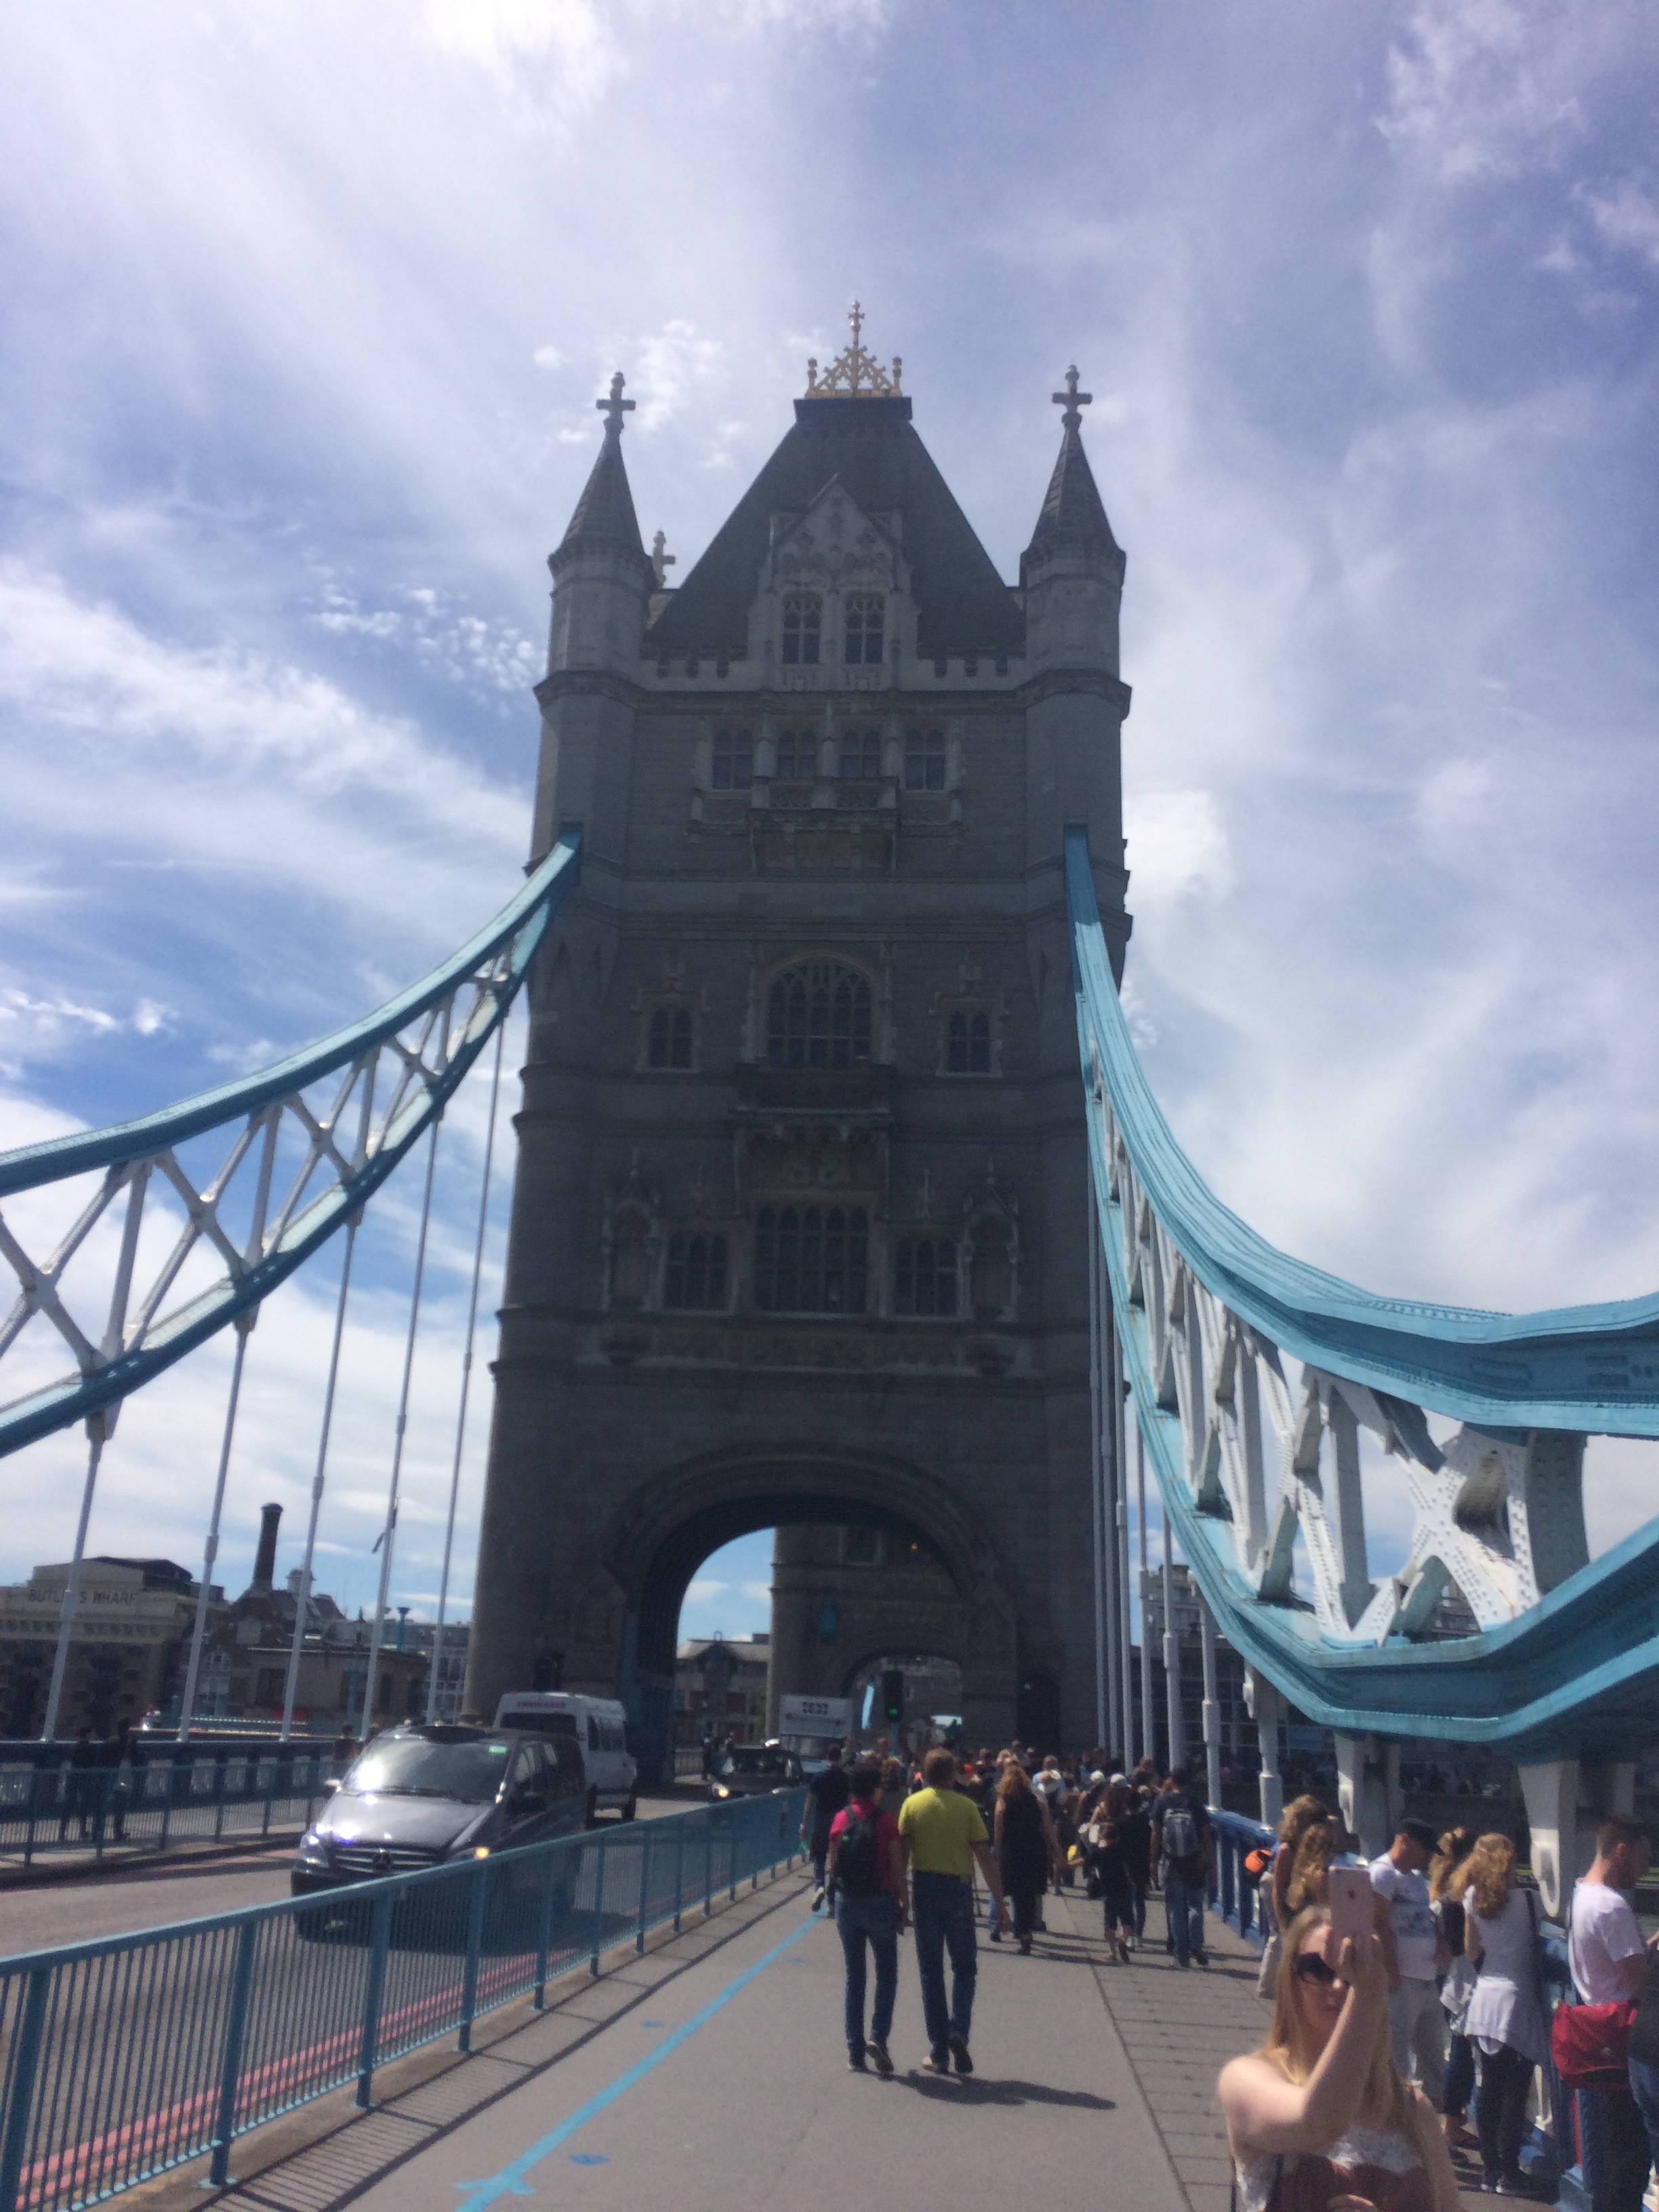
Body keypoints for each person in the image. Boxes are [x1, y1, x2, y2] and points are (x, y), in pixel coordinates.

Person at [1219, 1902, 1461, 2212]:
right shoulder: (1246, 2080)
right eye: (1319, 1969)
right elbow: (1318, 2122)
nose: (1339, 1985)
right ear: (1291, 1980)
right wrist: (1365, 1994)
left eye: (1352, 1971)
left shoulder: (1412, 2110)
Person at [897, 1748, 1005, 2076]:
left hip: (925, 1887)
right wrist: (1000, 1903)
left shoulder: (912, 1805)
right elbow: (985, 1857)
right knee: (965, 1968)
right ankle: (959, 2028)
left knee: (931, 1972)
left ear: (925, 1775)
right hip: (958, 1890)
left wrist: (902, 1900)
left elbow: (901, 1857)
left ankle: (939, 2051)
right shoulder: (967, 1807)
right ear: (952, 1774)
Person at [1570, 1815, 1659, 2212]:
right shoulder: (1612, 1906)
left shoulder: (1583, 1895)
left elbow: (1615, 1959)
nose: (1645, 1870)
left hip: (1594, 2028)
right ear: (1621, 1851)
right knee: (1631, 2158)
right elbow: (1639, 1983)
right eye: (1642, 1859)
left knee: (1612, 2155)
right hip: (1624, 2036)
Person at [1460, 1832, 1548, 2194]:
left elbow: (1470, 1951)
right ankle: (1509, 2173)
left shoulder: (1473, 1898)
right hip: (1518, 2000)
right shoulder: (1530, 1902)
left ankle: (1490, 2171)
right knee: (1515, 2092)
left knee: (1490, 2090)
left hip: (1485, 2001)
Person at [826, 1756, 906, 2074]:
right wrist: (904, 1904)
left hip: (848, 1903)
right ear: (875, 1790)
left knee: (855, 1975)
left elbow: (834, 1865)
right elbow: (898, 1868)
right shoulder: (886, 1822)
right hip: (880, 1901)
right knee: (886, 1972)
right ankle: (879, 2038)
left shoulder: (839, 1820)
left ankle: (854, 2050)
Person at [1370, 1818, 1450, 2107]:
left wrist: (1440, 1941)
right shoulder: (1382, 1875)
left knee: (1434, 2063)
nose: (1428, 1857)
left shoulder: (1415, 1878)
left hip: (1427, 1980)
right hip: (1401, 1982)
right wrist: (1391, 1972)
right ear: (1404, 1840)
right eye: (1424, 1849)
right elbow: (1378, 1924)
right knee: (1397, 2060)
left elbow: (1426, 1916)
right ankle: (1397, 2126)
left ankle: (1430, 2133)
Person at [1429, 1826, 1479, 2147]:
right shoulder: (1460, 1900)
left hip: (1442, 1978)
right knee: (1462, 2052)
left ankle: (1451, 2117)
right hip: (1460, 1980)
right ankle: (1450, 2123)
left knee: (1456, 2049)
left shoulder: (1438, 1888)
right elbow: (1463, 1949)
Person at [1259, 1797, 1332, 2001]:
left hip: (1295, 1891)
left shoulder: (1309, 1843)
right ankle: (1267, 1987)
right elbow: (1277, 1888)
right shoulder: (1287, 1848)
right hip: (1277, 1886)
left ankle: (1284, 1987)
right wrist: (1282, 1918)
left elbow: (1341, 1847)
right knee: (1278, 1936)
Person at [994, 1759, 1059, 1953]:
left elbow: (998, 1832)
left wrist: (997, 1855)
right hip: (1035, 1850)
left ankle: (1023, 1932)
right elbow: (1048, 1829)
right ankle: (1026, 1929)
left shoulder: (1003, 1803)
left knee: (1018, 1894)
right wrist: (1058, 1853)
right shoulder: (1037, 1802)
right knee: (1030, 1894)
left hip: (1013, 1851)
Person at [1153, 1764, 1213, 1969]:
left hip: (1171, 1861)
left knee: (1175, 1907)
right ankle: (1196, 1943)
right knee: (1195, 1904)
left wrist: (1153, 1862)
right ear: (1188, 1782)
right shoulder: (1195, 1803)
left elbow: (1156, 1833)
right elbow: (1206, 1836)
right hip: (1194, 1861)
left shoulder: (1163, 1801)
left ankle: (1181, 1955)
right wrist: (1212, 1865)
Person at [1092, 1780, 1140, 1963]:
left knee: (1109, 1921)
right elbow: (1126, 1868)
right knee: (1128, 1920)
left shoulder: (1101, 1851)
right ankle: (1124, 1939)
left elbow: (1089, 1862)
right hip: (1124, 1889)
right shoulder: (1121, 1850)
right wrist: (1132, 1881)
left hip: (1109, 1890)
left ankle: (1112, 1951)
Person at [800, 1742, 850, 1911]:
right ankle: (832, 1901)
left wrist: (804, 1824)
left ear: (827, 1757)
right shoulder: (846, 1779)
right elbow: (850, 1802)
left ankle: (819, 1885)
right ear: (840, 1758)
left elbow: (809, 1803)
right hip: (840, 1821)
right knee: (836, 1860)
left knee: (819, 1857)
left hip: (821, 1820)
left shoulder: (818, 1778)